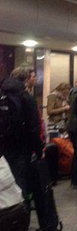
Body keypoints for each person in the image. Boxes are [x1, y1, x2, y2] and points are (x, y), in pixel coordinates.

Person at [0, 66, 44, 199]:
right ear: (25, 79)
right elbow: (33, 126)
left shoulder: (2, 94)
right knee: (20, 180)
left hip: (2, 143)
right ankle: (19, 213)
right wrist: (38, 149)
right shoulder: (26, 97)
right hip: (21, 145)